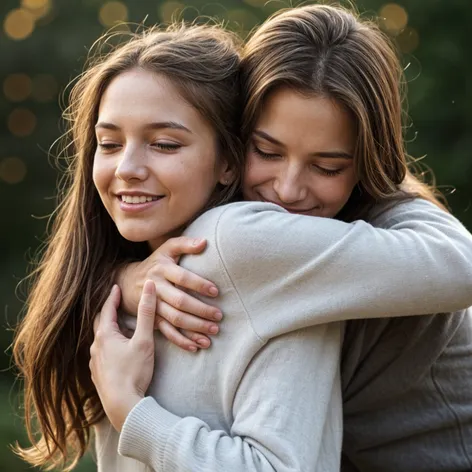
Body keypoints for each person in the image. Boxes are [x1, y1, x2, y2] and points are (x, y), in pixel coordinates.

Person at [106, 4, 472, 472]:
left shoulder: (390, 221)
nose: (287, 190)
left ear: (367, 163)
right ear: (234, 142)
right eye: (267, 151)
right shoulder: (210, 230)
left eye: (327, 167)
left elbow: (461, 266)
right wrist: (127, 274)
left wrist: (134, 412)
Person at [13, 23, 345, 472]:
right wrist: (119, 279)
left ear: (229, 161)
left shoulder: (265, 262)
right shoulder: (116, 283)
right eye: (109, 143)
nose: (127, 168)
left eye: (164, 144)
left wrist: (132, 412)